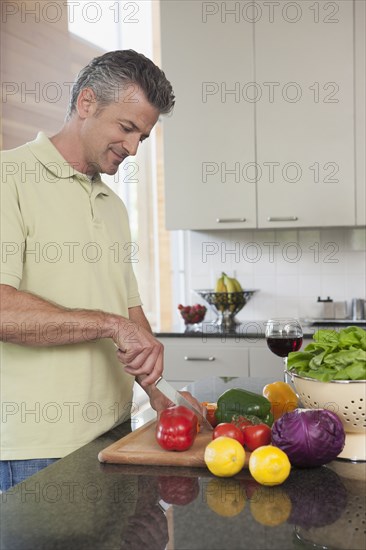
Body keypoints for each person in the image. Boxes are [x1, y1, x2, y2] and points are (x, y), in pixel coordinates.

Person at [0, 50, 202, 491]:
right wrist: (109, 325)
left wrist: (158, 392)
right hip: (38, 447)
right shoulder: (8, 177)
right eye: (126, 128)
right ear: (87, 103)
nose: (132, 148)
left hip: (114, 434)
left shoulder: (112, 206)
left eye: (142, 138)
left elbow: (128, 312)